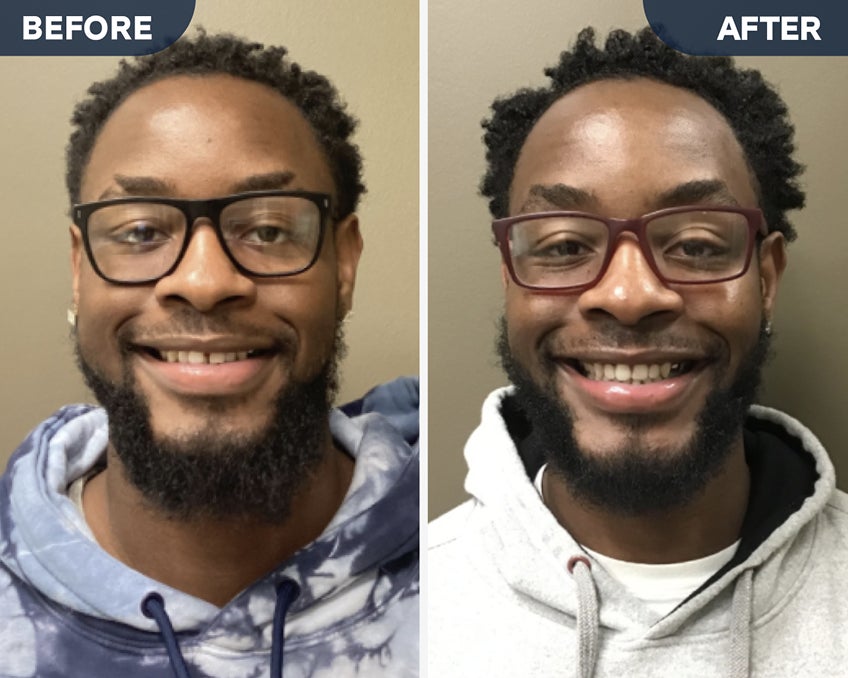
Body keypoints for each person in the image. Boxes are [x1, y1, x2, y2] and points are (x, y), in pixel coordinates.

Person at [428, 26, 848, 678]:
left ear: (765, 279)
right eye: (565, 245)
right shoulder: (411, 608)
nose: (628, 296)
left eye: (698, 244)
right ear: (510, 277)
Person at [0, 31, 419, 678]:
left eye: (268, 229)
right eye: (140, 231)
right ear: (79, 270)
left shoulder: (461, 563)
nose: (203, 281)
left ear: (345, 264)